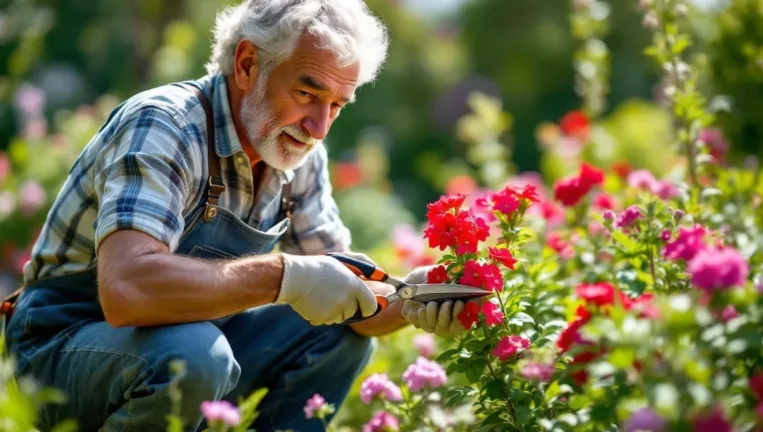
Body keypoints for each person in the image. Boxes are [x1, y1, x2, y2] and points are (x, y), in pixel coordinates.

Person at [3, 1, 469, 431]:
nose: (319, 127)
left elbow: (349, 298)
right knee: (194, 360)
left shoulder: (298, 153)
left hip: (180, 341)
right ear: (248, 64)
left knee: (336, 337)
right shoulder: (166, 124)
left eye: (337, 106)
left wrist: (411, 298)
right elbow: (128, 290)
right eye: (308, 92)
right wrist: (285, 276)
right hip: (61, 345)